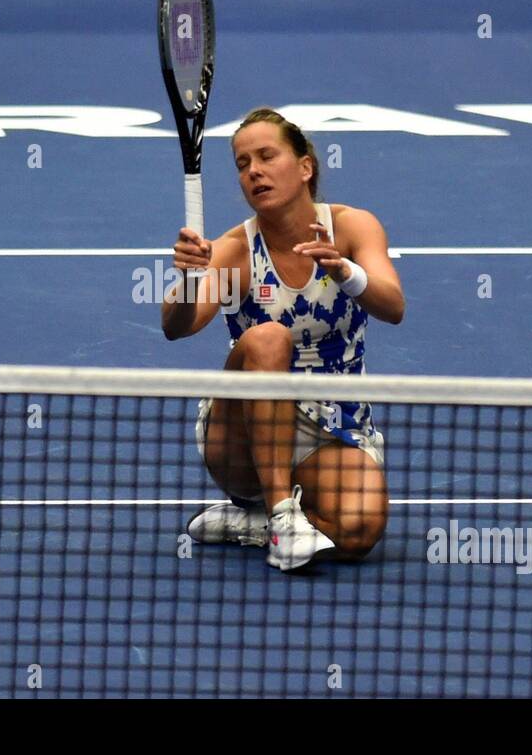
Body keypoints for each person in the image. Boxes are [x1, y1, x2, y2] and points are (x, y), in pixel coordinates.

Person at [161, 107, 405, 572]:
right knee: (268, 338)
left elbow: (393, 305)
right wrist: (190, 280)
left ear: (305, 167)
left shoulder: (353, 229)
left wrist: (346, 272)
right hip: (242, 432)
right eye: (242, 163)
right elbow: (177, 326)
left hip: (331, 428)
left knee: (359, 531)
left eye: (266, 156)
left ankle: (249, 524)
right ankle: (278, 515)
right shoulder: (235, 251)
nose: (253, 171)